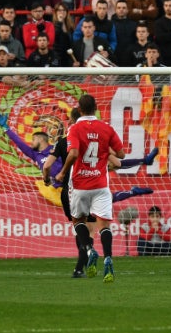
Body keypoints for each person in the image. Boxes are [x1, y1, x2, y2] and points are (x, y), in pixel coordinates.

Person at [55, 95, 125, 283]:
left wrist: (62, 172)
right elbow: (121, 154)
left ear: (80, 108)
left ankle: (89, 249)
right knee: (104, 226)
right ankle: (108, 258)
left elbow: (75, 153)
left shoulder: (74, 128)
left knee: (78, 221)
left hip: (80, 184)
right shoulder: (107, 128)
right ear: (96, 107)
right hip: (101, 185)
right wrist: (104, 151)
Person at [112, 0, 138, 65]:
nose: (121, 10)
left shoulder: (134, 24)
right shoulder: (110, 24)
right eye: (119, 8)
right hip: (114, 58)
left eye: (124, 8)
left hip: (131, 58)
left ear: (127, 10)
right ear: (115, 10)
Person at [51, 3, 75, 67]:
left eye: (64, 10)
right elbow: (55, 38)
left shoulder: (70, 26)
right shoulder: (52, 25)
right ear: (56, 12)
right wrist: (59, 22)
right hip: (57, 57)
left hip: (68, 57)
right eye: (59, 10)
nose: (62, 12)